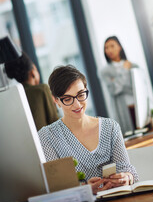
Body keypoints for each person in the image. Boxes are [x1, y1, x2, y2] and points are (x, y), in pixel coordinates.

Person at [38, 65, 139, 194]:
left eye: (81, 95)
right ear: (56, 100)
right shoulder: (47, 137)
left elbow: (126, 169)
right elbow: (56, 189)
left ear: (86, 90)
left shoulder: (110, 127)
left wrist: (127, 177)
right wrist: (84, 189)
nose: (77, 104)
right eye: (68, 99)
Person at [5, 52, 59, 131]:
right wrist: (54, 104)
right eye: (36, 69)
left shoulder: (12, 97)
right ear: (33, 73)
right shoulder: (42, 89)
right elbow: (55, 124)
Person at [100, 36, 138, 135]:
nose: (109, 50)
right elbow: (113, 90)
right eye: (106, 48)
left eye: (112, 46)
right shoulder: (105, 71)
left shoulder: (134, 66)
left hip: (137, 108)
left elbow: (138, 89)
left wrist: (116, 81)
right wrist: (124, 71)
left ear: (119, 47)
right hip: (122, 113)